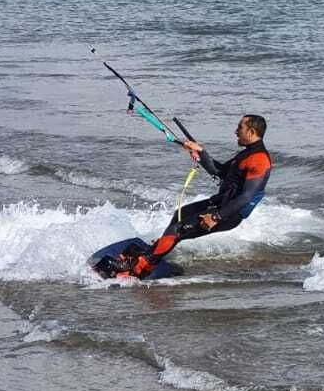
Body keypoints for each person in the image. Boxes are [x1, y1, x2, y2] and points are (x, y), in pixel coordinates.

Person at [101, 114, 272, 278]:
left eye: (239, 127)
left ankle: (142, 267)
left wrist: (216, 217)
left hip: (229, 213)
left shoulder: (259, 159)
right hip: (221, 204)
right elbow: (219, 172)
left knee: (177, 230)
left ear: (251, 132)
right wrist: (200, 152)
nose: (235, 131)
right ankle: (155, 251)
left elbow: (246, 197)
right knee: (180, 214)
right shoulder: (246, 154)